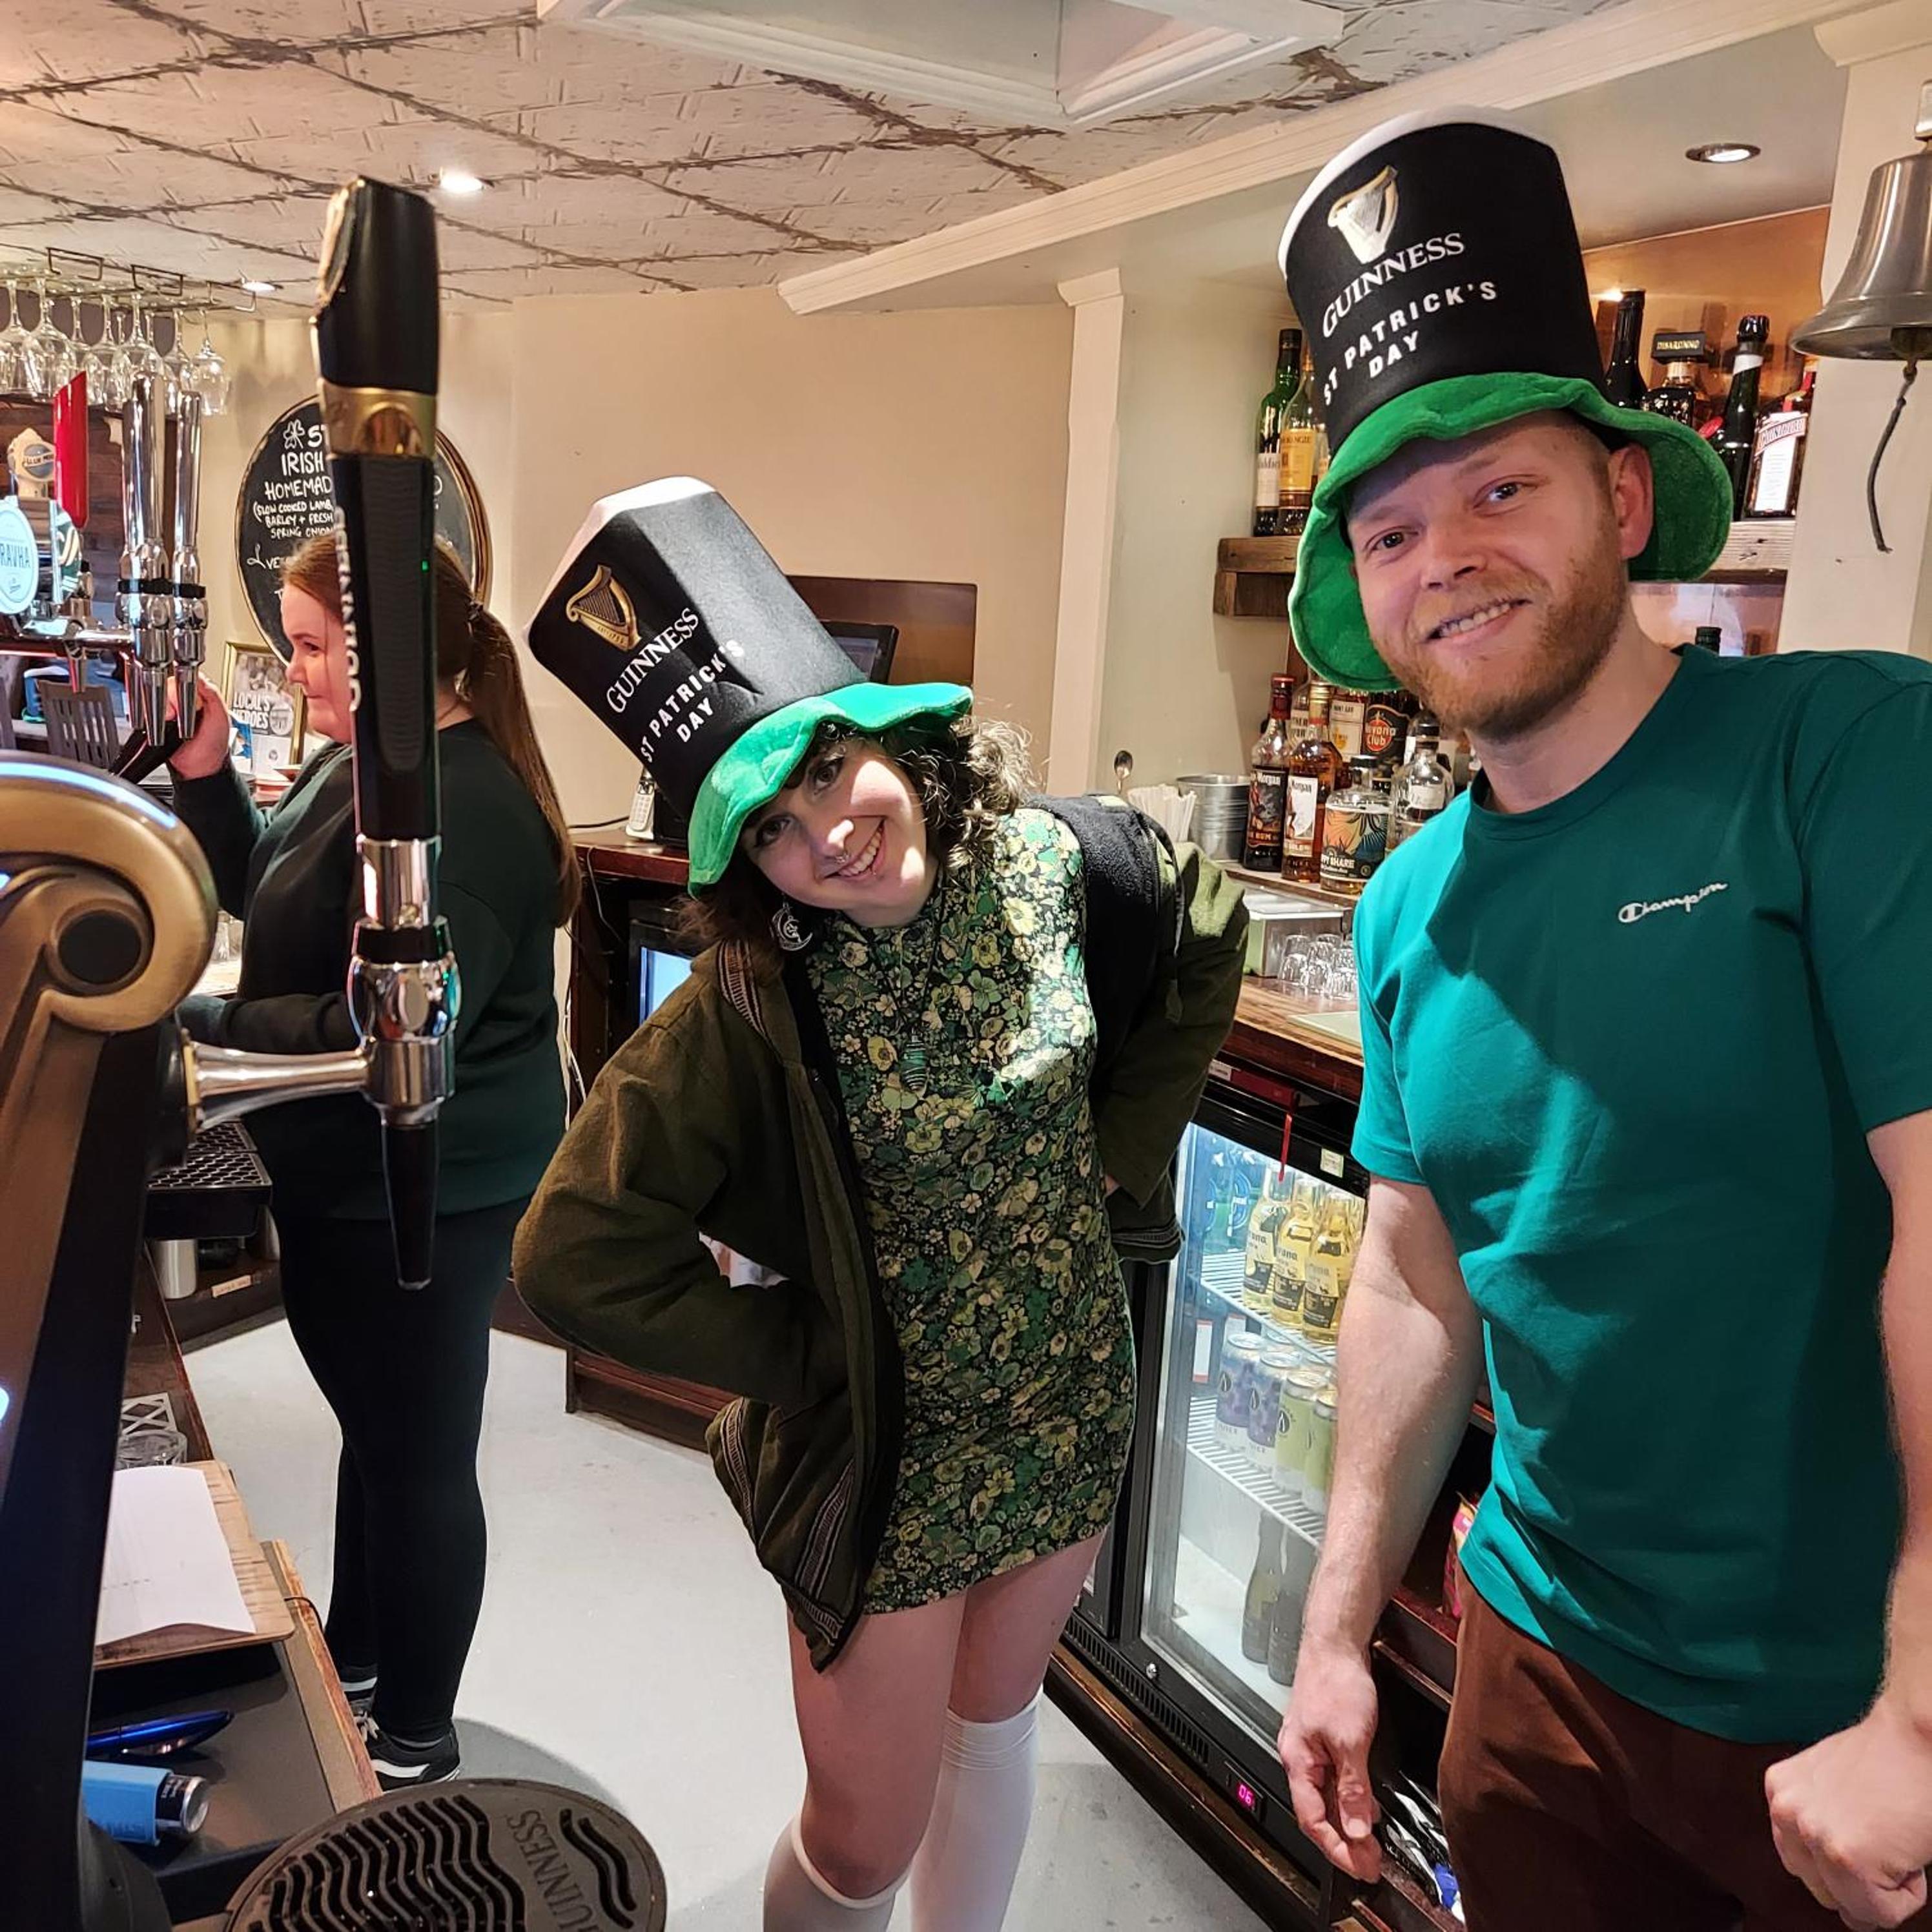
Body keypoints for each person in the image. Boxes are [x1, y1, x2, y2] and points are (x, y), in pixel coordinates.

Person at [1269, 108, 1932, 1932]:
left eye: (1501, 490)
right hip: (1536, 1667)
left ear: (1623, 504)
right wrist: (1334, 1627)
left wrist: (1919, 1715)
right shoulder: (1407, 904)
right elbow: (1414, 1276)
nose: (1446, 554)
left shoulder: (1848, 756)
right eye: (1392, 529)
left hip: (1843, 1712)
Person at [512, 478, 1247, 1931]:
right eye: (773, 831)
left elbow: (1208, 921)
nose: (827, 838)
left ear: (892, 738)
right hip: (893, 1455)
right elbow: (570, 1253)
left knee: (997, 1730)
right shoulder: (754, 1001)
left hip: (1065, 1396)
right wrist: (801, 1350)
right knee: (862, 1840)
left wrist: (1116, 1151)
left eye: (828, 771)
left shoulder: (1060, 865)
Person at [169, 532, 577, 1790]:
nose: (294, 672)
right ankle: (354, 1663)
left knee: (417, 1455)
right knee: (378, 1430)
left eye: (310, 646)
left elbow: (389, 1023)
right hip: (340, 1163)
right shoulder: (363, 765)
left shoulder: (468, 812)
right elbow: (273, 898)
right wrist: (207, 778)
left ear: (391, 655)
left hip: (433, 1188)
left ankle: (415, 1736)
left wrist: (199, 1020)